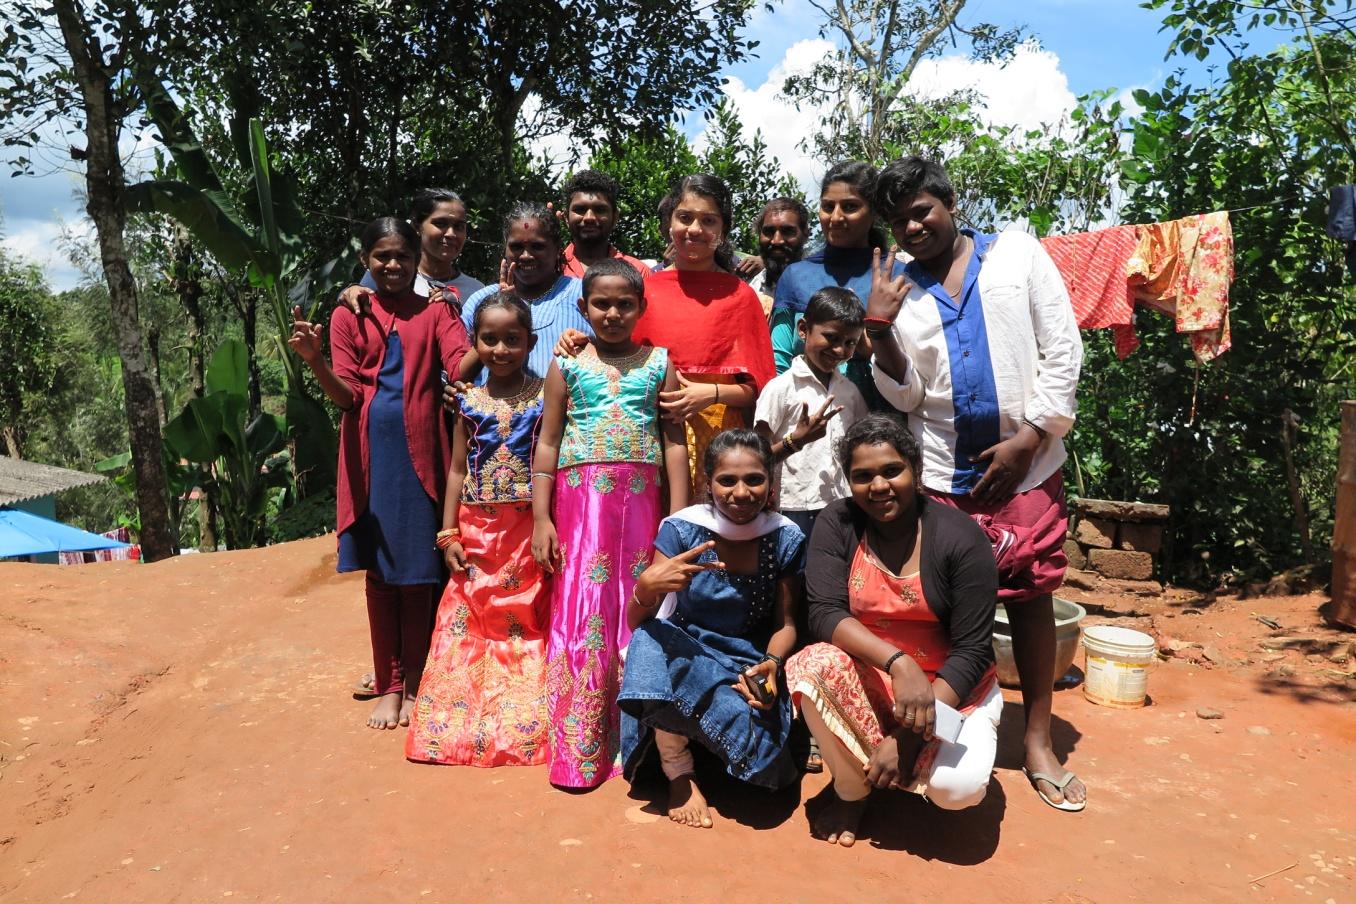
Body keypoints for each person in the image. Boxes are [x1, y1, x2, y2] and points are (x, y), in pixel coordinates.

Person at [865, 155, 1085, 812]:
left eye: (921, 211)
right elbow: (906, 393)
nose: (912, 228)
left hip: (1029, 468)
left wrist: (1032, 438)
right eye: (899, 221)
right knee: (946, 610)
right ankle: (940, 730)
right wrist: (878, 332)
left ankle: (1038, 738)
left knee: (1030, 597)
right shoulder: (900, 291)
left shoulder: (1017, 255)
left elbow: (1063, 348)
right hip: (943, 474)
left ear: (949, 201)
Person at [786, 415, 1003, 847]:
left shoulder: (959, 538)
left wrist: (905, 739)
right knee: (811, 664)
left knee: (954, 791)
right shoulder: (839, 523)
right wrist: (898, 663)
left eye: (892, 470)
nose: (878, 486)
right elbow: (824, 613)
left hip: (952, 691)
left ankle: (911, 754)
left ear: (916, 471)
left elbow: (973, 651)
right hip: (878, 680)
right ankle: (852, 792)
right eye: (862, 476)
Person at [289, 217, 469, 730]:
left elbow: (459, 368)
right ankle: (388, 685)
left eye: (402, 257)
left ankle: (414, 682)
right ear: (366, 260)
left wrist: (461, 318)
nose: (392, 265)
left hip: (422, 457)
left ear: (416, 261)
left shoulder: (433, 312)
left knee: (417, 576)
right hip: (369, 457)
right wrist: (315, 360)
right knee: (380, 575)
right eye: (381, 257)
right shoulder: (349, 316)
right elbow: (346, 397)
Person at [531, 259, 691, 788]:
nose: (614, 312)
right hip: (579, 509)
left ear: (643, 308)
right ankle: (580, 745)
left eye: (625, 303)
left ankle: (638, 743)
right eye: (602, 303)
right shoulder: (568, 364)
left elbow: (673, 444)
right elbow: (548, 443)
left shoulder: (660, 362)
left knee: (639, 604)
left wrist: (679, 521)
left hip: (643, 505)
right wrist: (540, 517)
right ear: (582, 308)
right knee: (584, 608)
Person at [619, 429, 806, 828]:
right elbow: (640, 623)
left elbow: (786, 624)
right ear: (708, 483)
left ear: (771, 484)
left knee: (765, 762)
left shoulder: (785, 537)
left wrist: (772, 664)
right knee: (650, 640)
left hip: (745, 662)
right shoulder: (681, 529)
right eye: (727, 480)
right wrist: (645, 588)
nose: (741, 492)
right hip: (684, 652)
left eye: (754, 479)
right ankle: (678, 771)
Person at [406, 293, 550, 767]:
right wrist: (449, 533)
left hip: (527, 525)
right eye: (489, 339)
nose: (502, 349)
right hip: (475, 525)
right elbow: (454, 468)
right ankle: (455, 733)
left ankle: (521, 730)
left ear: (530, 342)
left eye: (513, 339)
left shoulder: (548, 395)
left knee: (524, 620)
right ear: (475, 343)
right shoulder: (466, 399)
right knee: (466, 621)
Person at [770, 162, 902, 410]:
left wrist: (871, 347)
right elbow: (780, 362)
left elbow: (916, 365)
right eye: (828, 207)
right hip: (807, 425)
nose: (836, 217)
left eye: (850, 207)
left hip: (883, 423)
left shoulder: (896, 276)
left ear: (874, 212)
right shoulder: (796, 277)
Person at [753, 286, 868, 542]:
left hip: (841, 503)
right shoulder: (781, 389)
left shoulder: (849, 392)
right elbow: (756, 458)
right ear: (803, 329)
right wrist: (797, 441)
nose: (839, 350)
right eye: (831, 338)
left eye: (850, 343)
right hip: (793, 507)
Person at [459, 202, 591, 383]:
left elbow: (614, 352)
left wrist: (589, 345)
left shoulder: (584, 294)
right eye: (516, 247)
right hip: (494, 410)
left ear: (557, 249)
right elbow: (458, 373)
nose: (526, 255)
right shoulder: (481, 300)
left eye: (537, 246)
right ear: (505, 248)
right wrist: (501, 308)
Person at [338, 188, 485, 313]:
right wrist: (349, 292)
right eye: (440, 224)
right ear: (416, 227)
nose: (451, 234)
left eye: (459, 227)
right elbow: (353, 300)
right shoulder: (388, 275)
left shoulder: (477, 291)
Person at [559, 169, 651, 278]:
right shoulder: (550, 269)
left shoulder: (639, 272)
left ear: (615, 217)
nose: (589, 218)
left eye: (600, 210)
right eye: (580, 209)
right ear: (566, 217)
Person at [747, 196, 812, 301]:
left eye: (787, 231)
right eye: (769, 231)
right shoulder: (747, 288)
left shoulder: (819, 289)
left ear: (805, 235)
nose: (776, 241)